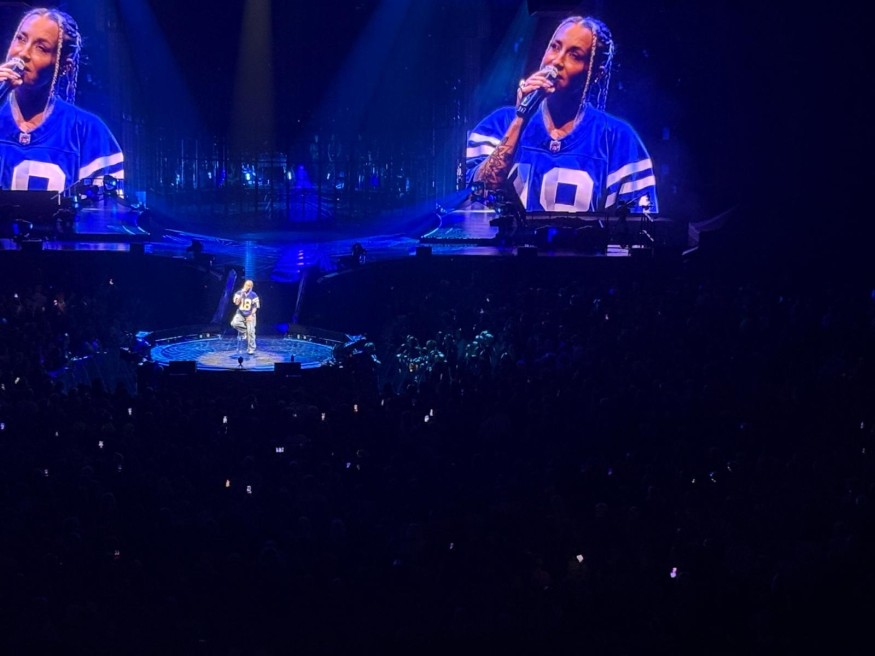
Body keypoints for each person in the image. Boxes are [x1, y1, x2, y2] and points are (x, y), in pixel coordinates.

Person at [466, 15, 658, 214]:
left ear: (596, 73)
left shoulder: (618, 139)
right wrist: (521, 117)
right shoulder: (499, 124)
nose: (557, 61)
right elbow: (475, 199)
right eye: (554, 47)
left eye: (574, 55)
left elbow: (638, 227)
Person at [0, 8, 124, 193]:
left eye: (41, 47)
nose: (23, 53)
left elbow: (104, 207)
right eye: (21, 38)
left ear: (64, 66)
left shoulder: (88, 131)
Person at [231, 279, 260, 355]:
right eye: (246, 285)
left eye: (249, 285)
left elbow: (255, 307)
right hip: (241, 313)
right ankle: (244, 332)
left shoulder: (254, 295)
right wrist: (241, 294)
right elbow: (236, 303)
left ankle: (251, 349)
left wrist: (251, 315)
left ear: (251, 287)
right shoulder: (239, 293)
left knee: (251, 332)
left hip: (250, 314)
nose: (247, 286)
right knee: (234, 323)